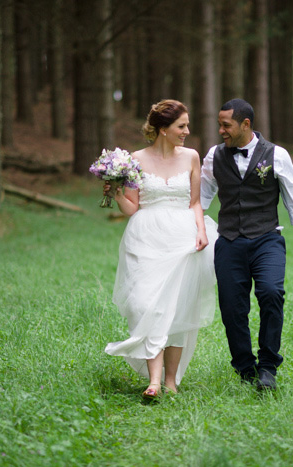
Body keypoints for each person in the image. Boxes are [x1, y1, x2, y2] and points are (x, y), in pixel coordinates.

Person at [200, 98, 293, 391]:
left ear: (245, 124)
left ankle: (268, 367)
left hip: (267, 239)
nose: (221, 131)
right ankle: (246, 369)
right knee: (232, 308)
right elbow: (200, 201)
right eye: (219, 124)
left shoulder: (277, 155)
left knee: (271, 293)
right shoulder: (213, 156)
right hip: (228, 241)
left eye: (226, 125)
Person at [104, 99, 218, 399]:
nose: (187, 131)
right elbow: (133, 206)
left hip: (182, 236)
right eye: (181, 126)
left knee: (178, 308)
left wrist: (202, 232)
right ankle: (153, 380)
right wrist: (117, 193)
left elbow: (195, 202)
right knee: (146, 303)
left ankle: (169, 381)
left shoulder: (192, 157)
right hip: (145, 237)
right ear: (163, 129)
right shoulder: (136, 159)